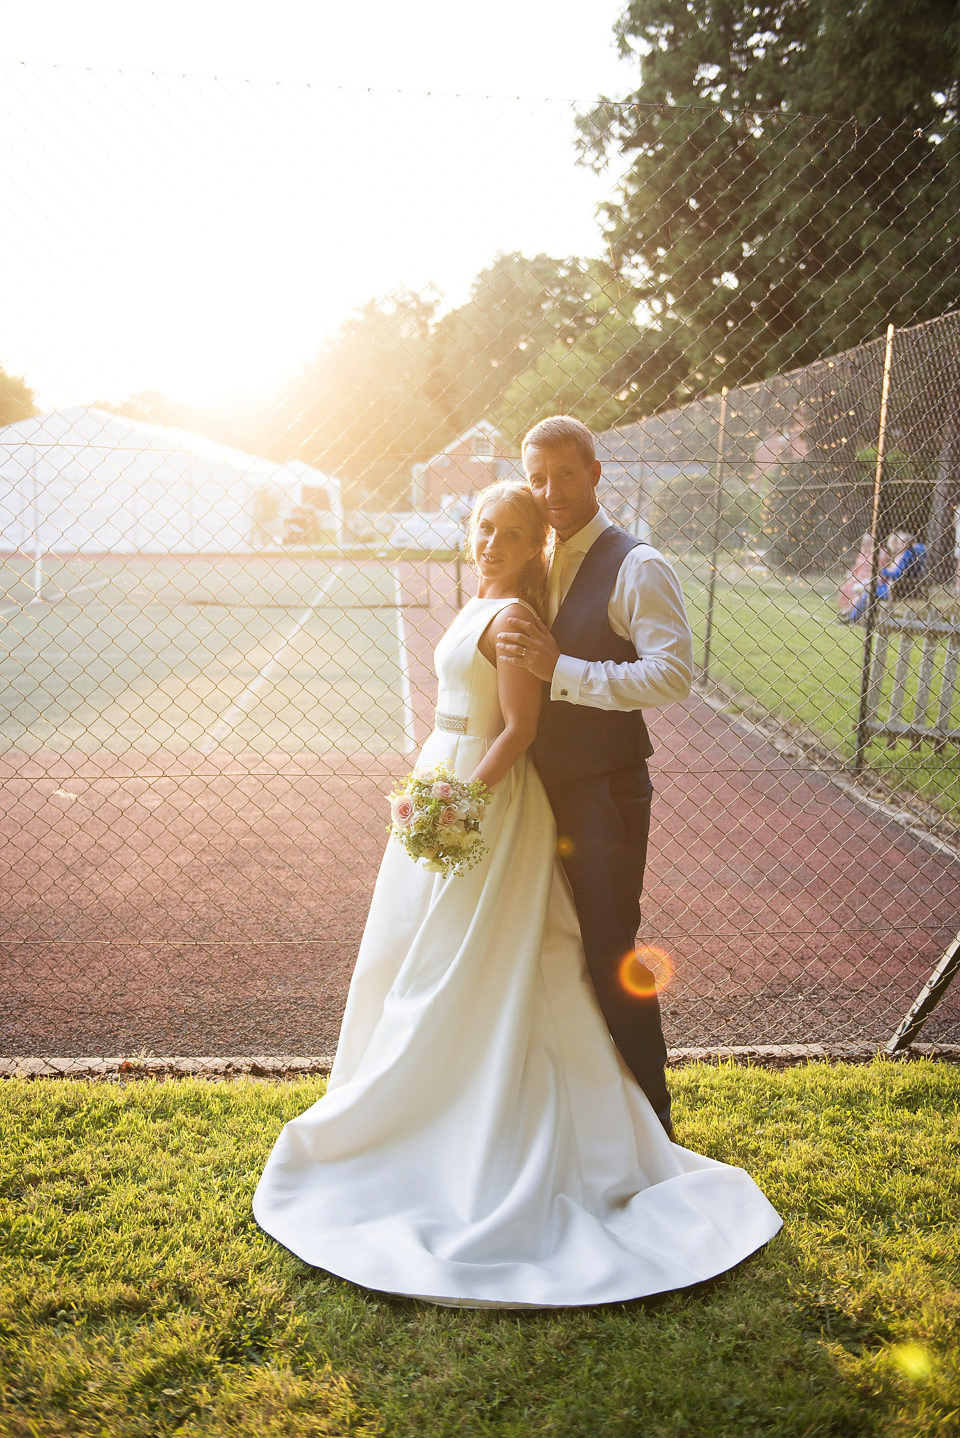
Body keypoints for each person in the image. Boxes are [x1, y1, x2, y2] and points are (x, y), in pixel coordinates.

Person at [253, 480, 781, 1309]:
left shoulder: (515, 620)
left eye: (507, 533)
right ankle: (407, 1109)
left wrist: (463, 798)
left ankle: (488, 1122)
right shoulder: (480, 602)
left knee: (478, 964)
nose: (489, 542)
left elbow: (520, 732)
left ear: (535, 543)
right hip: (444, 777)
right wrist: (431, 786)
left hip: (487, 801)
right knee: (412, 953)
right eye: (481, 526)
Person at [496, 416, 693, 1139]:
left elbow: (672, 675)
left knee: (612, 950)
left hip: (605, 791)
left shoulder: (638, 565)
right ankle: (565, 1110)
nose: (550, 491)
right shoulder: (536, 559)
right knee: (540, 941)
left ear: (596, 474)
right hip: (536, 790)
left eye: (564, 475)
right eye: (536, 476)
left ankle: (655, 1120)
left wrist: (564, 671)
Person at [840, 530, 926, 623]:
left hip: (896, 588)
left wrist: (883, 571)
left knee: (868, 592)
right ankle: (854, 615)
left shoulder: (907, 555)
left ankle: (853, 618)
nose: (898, 545)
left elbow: (898, 574)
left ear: (906, 544)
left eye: (901, 542)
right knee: (867, 589)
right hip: (899, 587)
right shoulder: (908, 554)